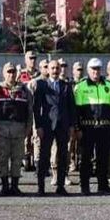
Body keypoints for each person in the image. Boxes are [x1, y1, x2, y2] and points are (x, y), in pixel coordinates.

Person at [30, 59, 75, 195]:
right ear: (48, 70)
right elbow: (36, 108)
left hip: (63, 126)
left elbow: (72, 107)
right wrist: (38, 126)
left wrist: (72, 125)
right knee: (44, 156)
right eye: (52, 68)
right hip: (47, 125)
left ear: (60, 70)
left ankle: (60, 186)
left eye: (57, 68)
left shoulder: (66, 86)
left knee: (62, 156)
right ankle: (41, 187)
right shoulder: (42, 85)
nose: (55, 71)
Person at [0, 62, 33, 196]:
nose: (11, 74)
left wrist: (27, 130)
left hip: (19, 132)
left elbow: (29, 113)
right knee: (3, 159)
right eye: (9, 72)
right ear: (4, 73)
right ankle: (4, 186)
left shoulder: (24, 91)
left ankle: (15, 186)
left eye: (13, 72)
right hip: (2, 132)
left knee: (17, 160)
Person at [74, 58, 110, 195]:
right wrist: (77, 128)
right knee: (85, 158)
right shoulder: (81, 86)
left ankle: (103, 186)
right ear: (88, 70)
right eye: (93, 69)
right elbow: (77, 110)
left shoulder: (109, 86)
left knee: (103, 158)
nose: (95, 72)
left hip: (104, 128)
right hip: (87, 128)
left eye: (98, 69)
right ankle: (85, 186)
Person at [20, 50, 41, 172]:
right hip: (25, 109)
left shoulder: (40, 74)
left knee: (36, 135)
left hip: (37, 109)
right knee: (26, 136)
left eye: (34, 58)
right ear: (25, 60)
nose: (32, 61)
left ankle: (37, 160)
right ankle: (26, 159)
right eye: (30, 58)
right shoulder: (20, 74)